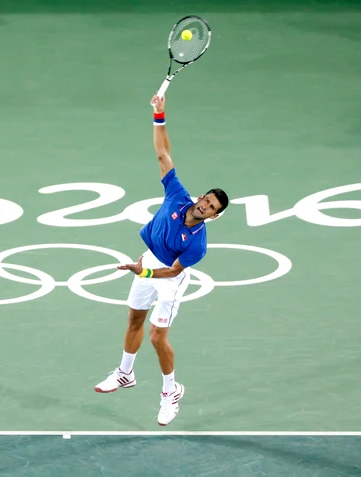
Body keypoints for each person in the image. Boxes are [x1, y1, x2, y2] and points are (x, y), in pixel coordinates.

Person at [94, 93, 229, 426]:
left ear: (214, 216)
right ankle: (125, 373)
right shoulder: (177, 195)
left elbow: (171, 272)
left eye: (212, 207)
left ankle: (171, 391)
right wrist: (159, 114)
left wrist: (143, 270)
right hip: (149, 263)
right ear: (200, 197)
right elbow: (163, 152)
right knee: (134, 320)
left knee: (157, 338)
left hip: (167, 277)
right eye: (206, 200)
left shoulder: (198, 245)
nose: (205, 206)